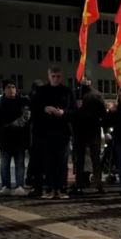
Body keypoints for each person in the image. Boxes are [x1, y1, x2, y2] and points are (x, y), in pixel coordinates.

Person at [30, 66, 75, 200]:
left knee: (62, 160)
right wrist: (45, 108)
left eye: (58, 77)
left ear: (61, 77)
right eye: (53, 76)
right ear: (49, 76)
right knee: (48, 160)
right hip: (46, 131)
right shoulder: (41, 91)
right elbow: (34, 109)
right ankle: (50, 188)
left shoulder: (67, 91)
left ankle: (61, 188)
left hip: (63, 131)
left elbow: (74, 110)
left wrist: (63, 112)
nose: (55, 79)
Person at [0, 80, 31, 197]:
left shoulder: (22, 101)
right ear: (4, 90)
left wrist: (12, 125)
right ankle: (6, 186)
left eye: (13, 87)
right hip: (4, 139)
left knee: (19, 163)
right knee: (4, 164)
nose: (11, 89)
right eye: (9, 87)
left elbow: (26, 117)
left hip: (19, 139)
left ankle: (20, 186)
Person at [71, 77, 107, 195]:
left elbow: (103, 113)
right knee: (79, 159)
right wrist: (76, 107)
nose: (85, 80)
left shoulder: (97, 95)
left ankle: (98, 184)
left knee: (95, 158)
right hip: (79, 131)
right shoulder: (75, 94)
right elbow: (70, 113)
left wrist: (105, 128)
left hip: (93, 130)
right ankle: (79, 184)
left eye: (87, 78)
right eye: (83, 78)